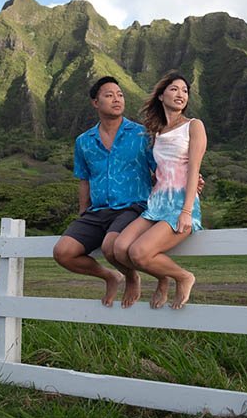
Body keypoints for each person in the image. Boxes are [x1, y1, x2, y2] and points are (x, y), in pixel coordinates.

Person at [52, 76, 156, 308]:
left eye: (120, 95)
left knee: (111, 246)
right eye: (109, 95)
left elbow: (161, 169)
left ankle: (131, 277)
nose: (116, 99)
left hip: (133, 206)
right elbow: (84, 179)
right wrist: (83, 212)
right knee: (63, 252)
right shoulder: (83, 141)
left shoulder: (142, 134)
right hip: (97, 210)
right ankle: (110, 276)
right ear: (95, 103)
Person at [113, 72, 206, 309]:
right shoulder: (157, 132)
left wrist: (186, 211)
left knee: (140, 252)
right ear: (162, 95)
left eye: (185, 91)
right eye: (174, 89)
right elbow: (161, 169)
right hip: (156, 204)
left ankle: (183, 276)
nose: (181, 94)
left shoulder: (193, 126)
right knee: (120, 248)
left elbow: (194, 169)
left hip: (179, 204)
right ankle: (161, 277)